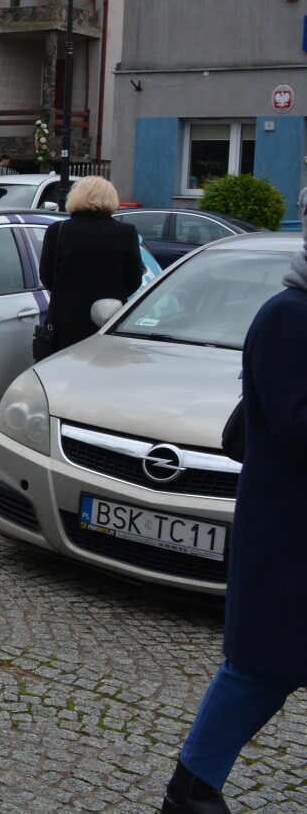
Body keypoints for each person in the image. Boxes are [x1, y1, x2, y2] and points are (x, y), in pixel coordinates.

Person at [157, 217, 307, 814]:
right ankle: (191, 787)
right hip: (289, 531)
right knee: (260, 668)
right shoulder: (289, 315)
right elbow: (298, 426)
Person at [38, 176, 142, 353]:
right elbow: (134, 280)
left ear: (75, 196)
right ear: (111, 198)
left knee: (63, 365)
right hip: (107, 319)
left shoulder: (58, 230)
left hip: (65, 319)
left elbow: (47, 277)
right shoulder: (126, 232)